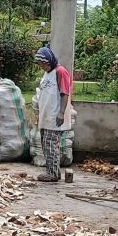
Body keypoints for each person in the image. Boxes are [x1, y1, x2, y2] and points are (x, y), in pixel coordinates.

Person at [33, 46, 74, 182]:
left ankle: (54, 173)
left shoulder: (60, 72)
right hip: (46, 116)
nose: (41, 66)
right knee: (46, 144)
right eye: (40, 64)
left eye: (43, 64)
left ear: (49, 61)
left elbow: (64, 93)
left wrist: (61, 113)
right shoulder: (47, 74)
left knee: (51, 144)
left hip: (55, 115)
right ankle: (51, 171)